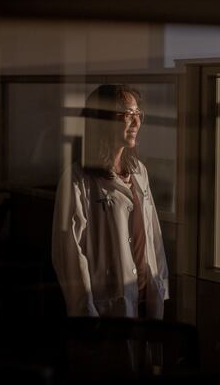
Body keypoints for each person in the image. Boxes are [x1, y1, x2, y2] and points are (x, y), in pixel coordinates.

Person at [52, 84, 169, 319]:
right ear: (102, 120)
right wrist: (86, 312)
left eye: (138, 114)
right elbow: (70, 255)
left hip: (145, 300)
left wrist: (161, 285)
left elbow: (153, 235)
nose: (136, 122)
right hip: (106, 310)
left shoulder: (139, 171)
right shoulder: (77, 179)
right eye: (127, 114)